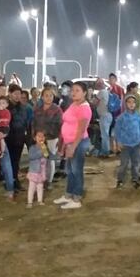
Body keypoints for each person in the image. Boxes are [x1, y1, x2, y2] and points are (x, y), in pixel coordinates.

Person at [52, 81, 92, 209]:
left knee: (76, 170)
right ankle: (68, 195)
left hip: (78, 143)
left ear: (84, 93)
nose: (73, 93)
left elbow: (80, 130)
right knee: (69, 170)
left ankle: (77, 198)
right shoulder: (74, 104)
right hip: (70, 142)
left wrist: (73, 146)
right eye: (72, 90)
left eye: (77, 90)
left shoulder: (84, 108)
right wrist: (64, 143)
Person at [32, 87, 63, 189]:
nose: (49, 98)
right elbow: (34, 122)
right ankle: (41, 179)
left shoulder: (57, 110)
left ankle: (48, 181)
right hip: (39, 139)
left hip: (51, 139)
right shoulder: (38, 109)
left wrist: (46, 133)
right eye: (46, 95)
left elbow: (59, 125)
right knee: (41, 159)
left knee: (50, 160)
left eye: (51, 95)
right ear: (42, 97)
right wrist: (34, 134)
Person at [114, 94, 140, 189]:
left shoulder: (139, 117)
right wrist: (118, 142)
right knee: (124, 163)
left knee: (136, 163)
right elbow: (117, 131)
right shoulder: (121, 118)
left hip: (136, 144)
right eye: (129, 102)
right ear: (125, 104)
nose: (131, 104)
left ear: (136, 104)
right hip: (125, 145)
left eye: (133, 102)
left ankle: (135, 179)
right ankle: (120, 179)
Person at [27, 131, 53, 208]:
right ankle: (29, 202)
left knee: (40, 187)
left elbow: (49, 156)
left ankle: (40, 200)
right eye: (39, 136)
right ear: (35, 138)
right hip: (34, 171)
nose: (41, 138)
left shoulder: (45, 147)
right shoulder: (32, 148)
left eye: (43, 136)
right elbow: (31, 157)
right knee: (31, 187)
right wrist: (41, 151)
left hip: (42, 172)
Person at [93, 78, 112, 157]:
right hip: (108, 115)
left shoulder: (101, 92)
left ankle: (105, 152)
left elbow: (94, 102)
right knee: (105, 134)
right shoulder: (107, 92)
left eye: (97, 83)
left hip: (104, 116)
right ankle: (105, 150)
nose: (97, 85)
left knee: (104, 135)